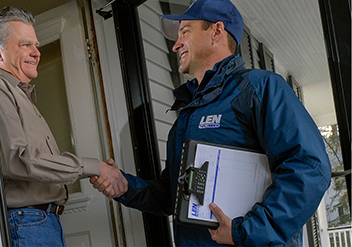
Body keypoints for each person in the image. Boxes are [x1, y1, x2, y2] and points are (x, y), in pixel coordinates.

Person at [91, 0, 332, 246]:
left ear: (216, 31)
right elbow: (172, 196)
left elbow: (309, 167)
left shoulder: (258, 88)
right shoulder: (186, 118)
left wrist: (245, 231)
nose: (175, 45)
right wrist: (124, 186)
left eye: (185, 31)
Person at [0, 7, 127, 246]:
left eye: (36, 45)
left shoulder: (21, 94)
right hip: (28, 222)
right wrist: (95, 167)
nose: (36, 53)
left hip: (40, 222)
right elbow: (18, 160)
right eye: (25, 45)